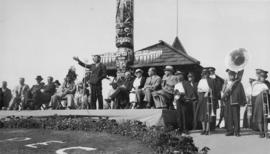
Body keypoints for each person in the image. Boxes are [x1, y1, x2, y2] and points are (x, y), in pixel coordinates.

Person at [222, 70, 246, 136]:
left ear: (234, 76)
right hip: (228, 101)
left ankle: (237, 131)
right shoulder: (226, 83)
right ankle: (230, 131)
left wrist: (243, 101)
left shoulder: (238, 83)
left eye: (232, 75)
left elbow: (242, 92)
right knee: (228, 117)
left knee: (236, 117)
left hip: (236, 102)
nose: (230, 76)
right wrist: (224, 85)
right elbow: (223, 92)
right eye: (229, 75)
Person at [252, 70, 270, 138]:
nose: (263, 78)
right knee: (259, 117)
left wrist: (267, 91)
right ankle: (261, 132)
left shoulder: (267, 83)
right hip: (259, 102)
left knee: (266, 118)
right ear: (260, 77)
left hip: (266, 102)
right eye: (262, 77)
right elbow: (253, 93)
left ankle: (266, 132)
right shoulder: (255, 83)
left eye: (264, 77)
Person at [195, 68, 212, 135]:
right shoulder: (201, 81)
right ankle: (203, 129)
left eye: (206, 73)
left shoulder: (210, 80)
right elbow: (198, 89)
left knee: (207, 114)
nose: (205, 75)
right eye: (204, 73)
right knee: (202, 114)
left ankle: (207, 129)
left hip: (208, 97)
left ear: (208, 74)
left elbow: (212, 88)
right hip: (201, 96)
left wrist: (208, 91)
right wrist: (200, 92)